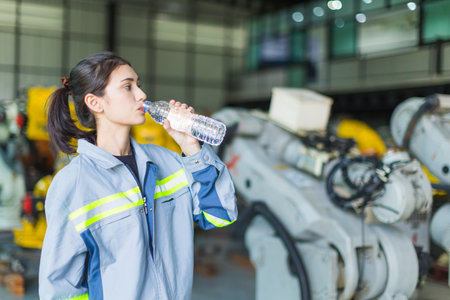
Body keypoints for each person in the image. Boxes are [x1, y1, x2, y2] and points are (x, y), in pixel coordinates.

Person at [39, 52, 237, 300]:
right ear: (95, 102)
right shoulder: (73, 184)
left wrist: (191, 147)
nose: (142, 95)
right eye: (127, 87)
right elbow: (60, 287)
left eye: (138, 85)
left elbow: (220, 215)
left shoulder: (170, 162)